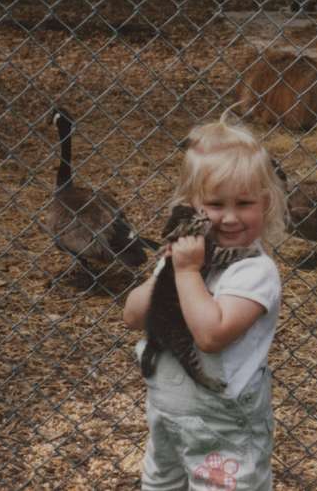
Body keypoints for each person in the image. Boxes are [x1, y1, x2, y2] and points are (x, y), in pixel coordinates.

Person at [123, 118, 287, 490]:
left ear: (265, 205)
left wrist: (185, 273)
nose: (229, 217)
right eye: (215, 204)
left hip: (224, 427)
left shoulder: (255, 272)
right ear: (191, 206)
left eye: (244, 204)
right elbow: (132, 316)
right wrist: (169, 272)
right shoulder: (184, 260)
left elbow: (210, 335)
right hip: (167, 413)